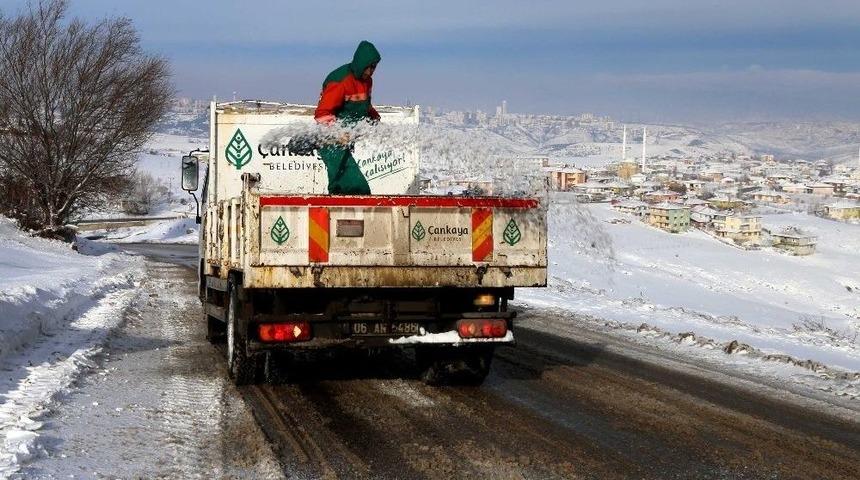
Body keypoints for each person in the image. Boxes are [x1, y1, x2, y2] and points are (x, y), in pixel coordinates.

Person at [313, 40, 381, 194]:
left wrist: (373, 116)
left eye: (374, 67)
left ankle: (339, 212)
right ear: (360, 62)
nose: (371, 71)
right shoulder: (340, 81)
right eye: (369, 66)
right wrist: (338, 133)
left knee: (348, 187)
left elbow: (363, 104)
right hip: (330, 141)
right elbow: (322, 114)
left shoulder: (367, 81)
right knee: (357, 189)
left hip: (344, 140)